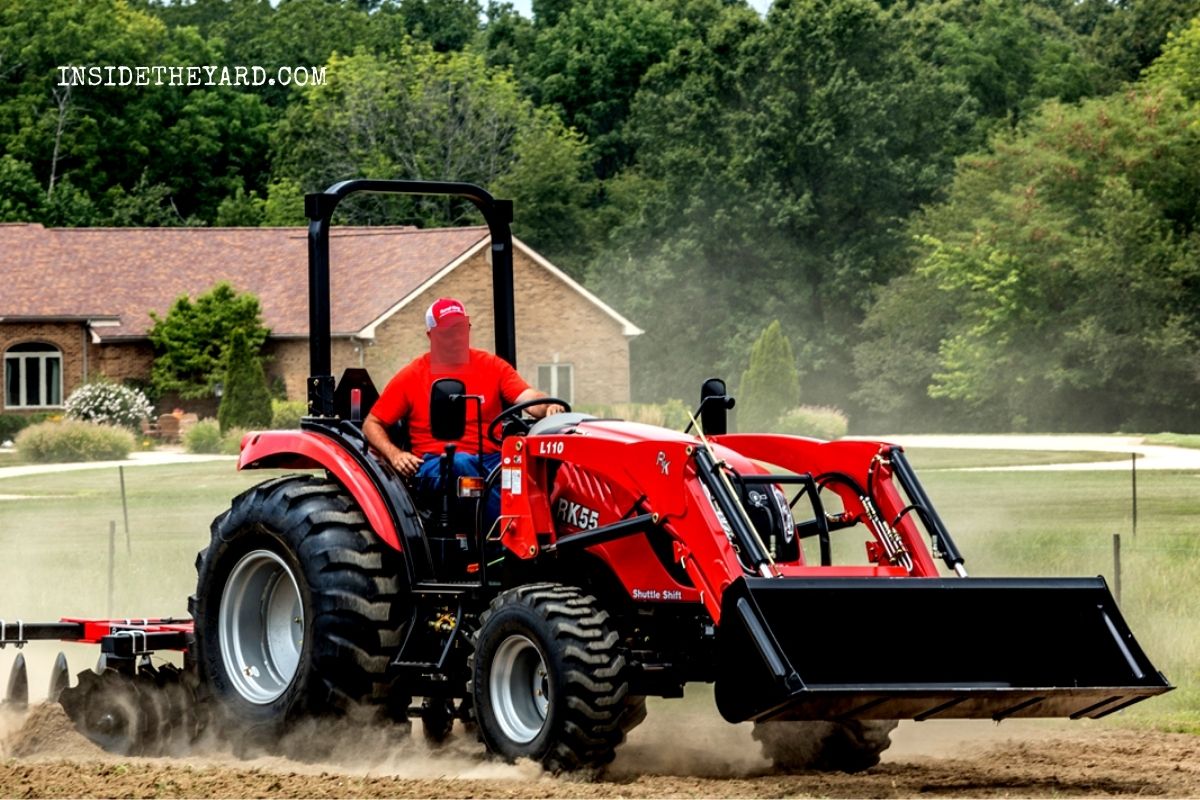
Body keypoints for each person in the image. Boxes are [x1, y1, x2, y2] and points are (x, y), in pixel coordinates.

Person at [362, 297, 565, 519]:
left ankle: (559, 531)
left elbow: (529, 398)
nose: (458, 336)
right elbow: (372, 423)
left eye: (461, 328)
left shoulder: (491, 366)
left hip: (491, 459)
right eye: (449, 331)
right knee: (461, 464)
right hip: (436, 463)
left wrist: (549, 407)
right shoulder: (412, 376)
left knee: (541, 460)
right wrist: (395, 455)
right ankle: (506, 537)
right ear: (431, 334)